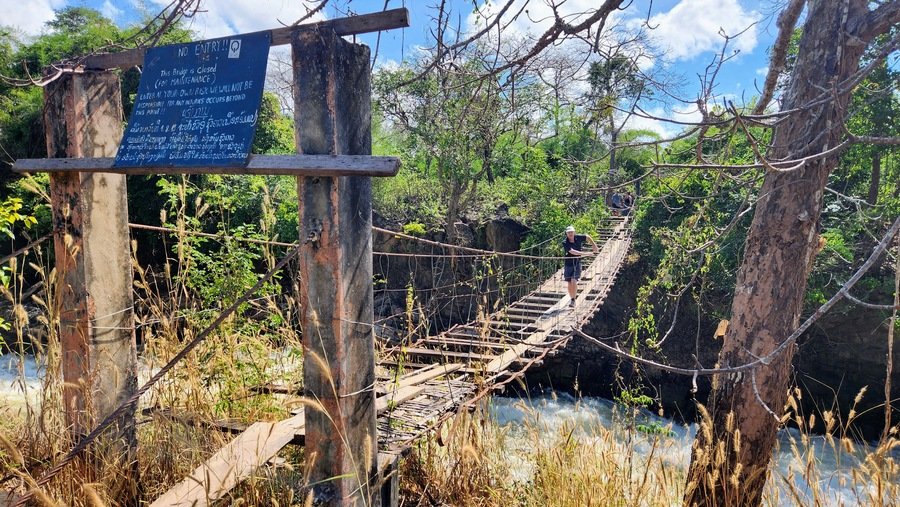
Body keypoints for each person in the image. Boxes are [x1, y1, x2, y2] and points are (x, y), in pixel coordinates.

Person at [562, 225, 598, 307]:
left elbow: (587, 237)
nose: (570, 234)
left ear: (574, 232)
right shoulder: (565, 242)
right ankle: (571, 298)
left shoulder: (578, 237)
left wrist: (594, 245)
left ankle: (573, 300)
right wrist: (587, 254)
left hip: (577, 263)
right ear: (566, 234)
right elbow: (573, 252)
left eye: (571, 232)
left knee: (574, 280)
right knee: (569, 283)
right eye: (568, 233)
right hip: (568, 264)